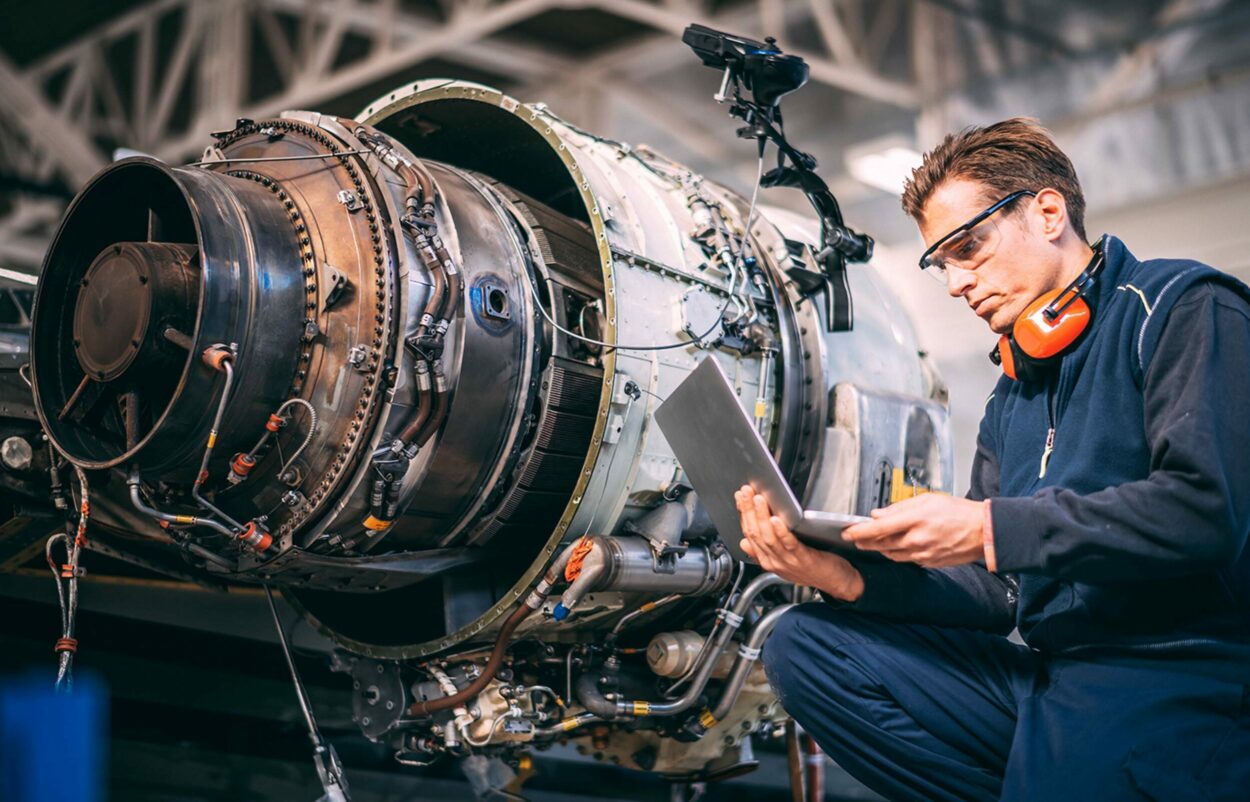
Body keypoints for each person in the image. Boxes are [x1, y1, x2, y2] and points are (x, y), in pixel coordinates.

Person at [738, 118, 1250, 801]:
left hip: (1182, 675)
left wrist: (987, 528)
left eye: (968, 247)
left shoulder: (1184, 308)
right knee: (804, 647)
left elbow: (1205, 510)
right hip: (1052, 677)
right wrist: (841, 575)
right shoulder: (1015, 389)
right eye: (940, 263)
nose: (955, 284)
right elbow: (996, 596)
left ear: (1047, 212)